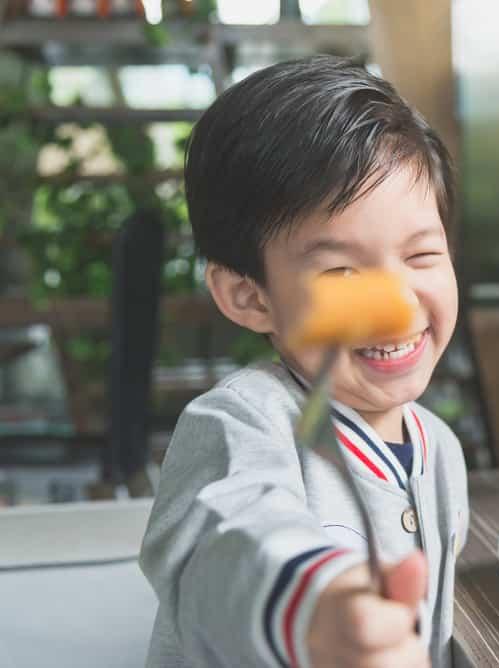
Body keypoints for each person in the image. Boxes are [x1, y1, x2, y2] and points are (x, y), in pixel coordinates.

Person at [139, 55, 468, 668]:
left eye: (421, 255)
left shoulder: (439, 448)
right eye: (342, 269)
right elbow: (227, 545)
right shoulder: (237, 423)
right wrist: (316, 607)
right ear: (249, 295)